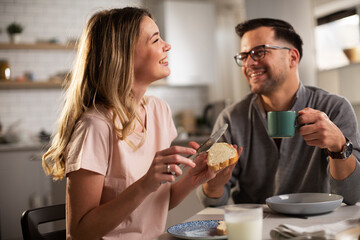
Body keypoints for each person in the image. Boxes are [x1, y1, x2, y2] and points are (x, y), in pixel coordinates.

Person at [42, 7, 216, 239]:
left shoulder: (159, 110)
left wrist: (193, 180)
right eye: (155, 40)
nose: (167, 45)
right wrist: (144, 184)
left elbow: (154, 204)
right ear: (122, 55)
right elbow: (79, 232)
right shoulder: (95, 126)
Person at [197, 18, 360, 207]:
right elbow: (212, 201)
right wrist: (212, 182)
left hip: (317, 228)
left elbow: (352, 195)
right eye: (244, 56)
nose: (249, 63)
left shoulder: (334, 108)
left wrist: (338, 146)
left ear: (292, 57)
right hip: (256, 229)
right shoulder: (231, 119)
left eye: (259, 52)